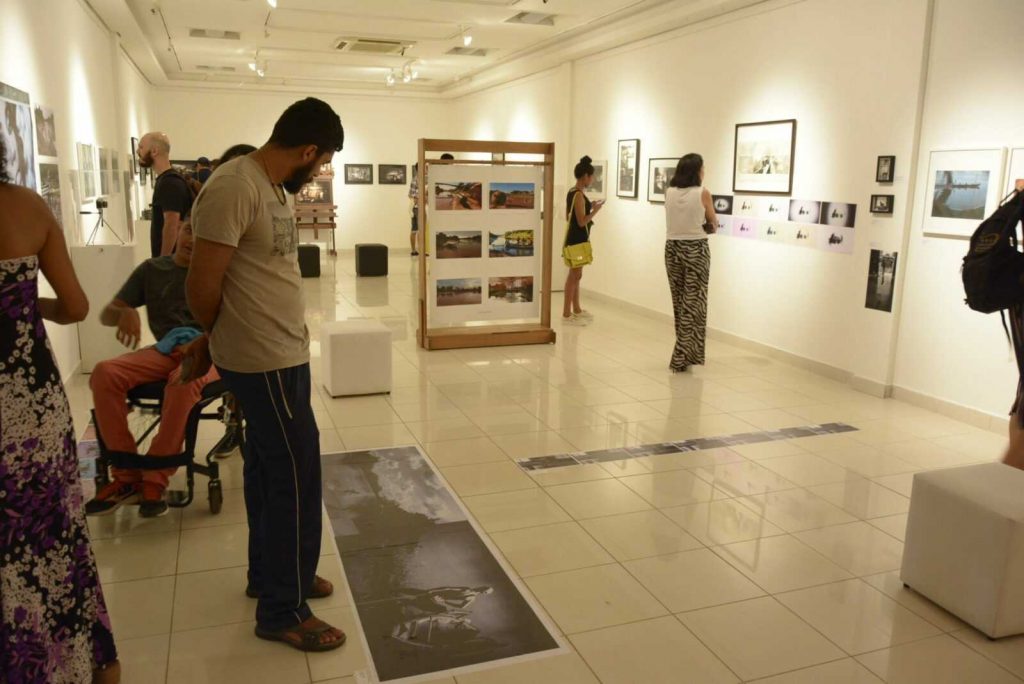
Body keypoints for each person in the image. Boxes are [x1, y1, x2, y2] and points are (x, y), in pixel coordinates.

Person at [186, 98, 346, 652]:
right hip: (263, 358)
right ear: (308, 150)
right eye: (322, 161)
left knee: (265, 469)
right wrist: (213, 339)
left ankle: (273, 576)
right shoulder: (236, 186)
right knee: (294, 478)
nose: (319, 170)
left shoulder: (272, 187)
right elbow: (202, 284)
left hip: (281, 353)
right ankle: (284, 608)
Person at [0, 139, 120, 682]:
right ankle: (74, 659)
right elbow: (75, 307)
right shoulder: (25, 206)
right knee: (51, 532)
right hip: (28, 402)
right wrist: (23, 304)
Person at [84, 221, 220, 519]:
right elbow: (107, 314)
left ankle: (154, 480)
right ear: (178, 230)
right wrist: (123, 311)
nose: (194, 239)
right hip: (167, 349)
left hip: (211, 351)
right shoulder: (152, 270)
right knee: (105, 373)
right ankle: (126, 475)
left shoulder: (218, 271)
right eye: (189, 230)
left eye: (203, 233)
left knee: (183, 381)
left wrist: (204, 342)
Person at [664, 153, 717, 372]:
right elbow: (713, 224)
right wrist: (703, 226)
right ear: (696, 171)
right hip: (696, 250)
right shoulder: (703, 193)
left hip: (672, 249)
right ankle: (680, 357)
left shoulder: (669, 192)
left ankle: (686, 355)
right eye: (702, 168)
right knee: (694, 306)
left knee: (680, 303)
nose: (704, 172)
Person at [563, 155, 605, 325]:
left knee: (577, 275)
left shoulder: (572, 192)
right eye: (591, 176)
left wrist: (590, 206)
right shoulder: (579, 195)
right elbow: (581, 221)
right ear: (585, 176)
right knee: (574, 275)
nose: (592, 179)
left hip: (576, 239)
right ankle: (567, 313)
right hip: (577, 240)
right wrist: (596, 210)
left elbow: (569, 216)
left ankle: (577, 309)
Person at [137, 132, 192, 257]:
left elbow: (172, 224)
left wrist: (162, 261)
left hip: (172, 261)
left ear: (154, 151)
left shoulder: (169, 183)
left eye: (141, 147)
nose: (138, 151)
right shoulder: (167, 180)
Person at [408, 153, 454, 256]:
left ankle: (417, 250)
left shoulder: (420, 178)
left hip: (417, 207)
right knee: (420, 230)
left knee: (416, 230)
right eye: (425, 167)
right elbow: (415, 195)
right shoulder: (421, 179)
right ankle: (421, 251)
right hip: (419, 207)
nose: (427, 169)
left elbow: (413, 195)